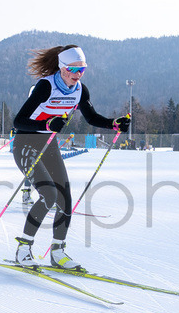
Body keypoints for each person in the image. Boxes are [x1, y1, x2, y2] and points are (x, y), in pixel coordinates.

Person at [11, 45, 129, 270]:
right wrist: (46, 124)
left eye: (82, 69)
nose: (78, 74)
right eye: (73, 69)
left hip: (48, 145)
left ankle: (58, 252)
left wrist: (114, 123)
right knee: (49, 194)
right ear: (62, 68)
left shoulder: (80, 90)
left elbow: (91, 117)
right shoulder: (46, 86)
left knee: (65, 196)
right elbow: (19, 121)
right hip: (26, 143)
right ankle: (23, 249)